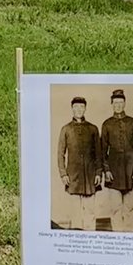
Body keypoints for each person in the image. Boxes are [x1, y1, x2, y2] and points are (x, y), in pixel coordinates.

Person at [99, 89, 133, 232]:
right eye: (115, 103)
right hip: (113, 170)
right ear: (112, 104)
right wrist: (106, 170)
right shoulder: (106, 124)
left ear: (124, 103)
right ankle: (118, 235)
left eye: (120, 102)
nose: (118, 105)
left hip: (131, 169)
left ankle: (131, 233)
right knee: (115, 207)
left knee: (130, 206)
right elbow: (102, 150)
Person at [55, 96, 102, 230]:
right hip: (73, 177)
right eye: (76, 107)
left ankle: (90, 238)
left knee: (90, 212)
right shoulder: (66, 129)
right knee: (75, 212)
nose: (79, 110)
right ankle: (76, 240)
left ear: (85, 108)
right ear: (72, 109)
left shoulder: (93, 129)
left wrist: (98, 173)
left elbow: (98, 153)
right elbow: (60, 154)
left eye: (81, 107)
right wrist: (63, 174)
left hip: (90, 176)